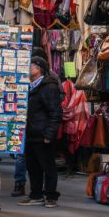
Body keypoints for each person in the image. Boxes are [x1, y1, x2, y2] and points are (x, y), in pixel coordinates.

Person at [19, 56, 62, 207]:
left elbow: (55, 112)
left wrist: (49, 134)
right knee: (33, 167)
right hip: (31, 133)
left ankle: (51, 196)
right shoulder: (29, 86)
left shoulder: (49, 87)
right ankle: (36, 194)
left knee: (48, 166)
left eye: (32, 65)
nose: (29, 68)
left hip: (43, 134)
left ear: (40, 69)